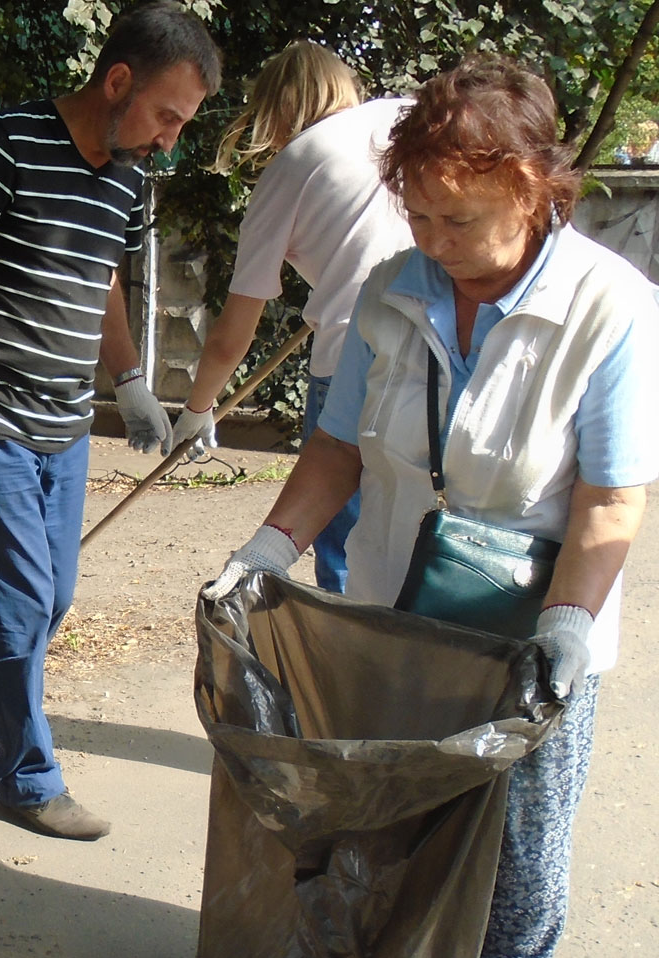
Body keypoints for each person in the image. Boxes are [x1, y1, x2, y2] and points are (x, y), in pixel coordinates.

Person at [203, 56, 659, 958]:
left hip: (531, 619)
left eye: (459, 219)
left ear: (532, 189)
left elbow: (610, 500)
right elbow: (336, 450)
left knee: (524, 822)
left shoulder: (610, 309)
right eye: (418, 214)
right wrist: (267, 549)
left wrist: (568, 627)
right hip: (396, 607)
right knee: (393, 803)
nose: (434, 240)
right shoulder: (390, 289)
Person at [0, 1, 220, 840]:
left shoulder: (129, 178)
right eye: (168, 116)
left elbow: (104, 279)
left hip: (65, 419)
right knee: (21, 603)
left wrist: (130, 381)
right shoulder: (7, 143)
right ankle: (28, 778)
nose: (171, 140)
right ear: (118, 80)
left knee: (52, 598)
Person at [175, 41, 413, 594]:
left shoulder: (293, 164)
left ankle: (349, 640)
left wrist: (198, 407)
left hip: (351, 359)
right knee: (418, 530)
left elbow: (233, 332)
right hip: (443, 349)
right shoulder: (404, 117)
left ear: (275, 109)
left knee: (344, 543)